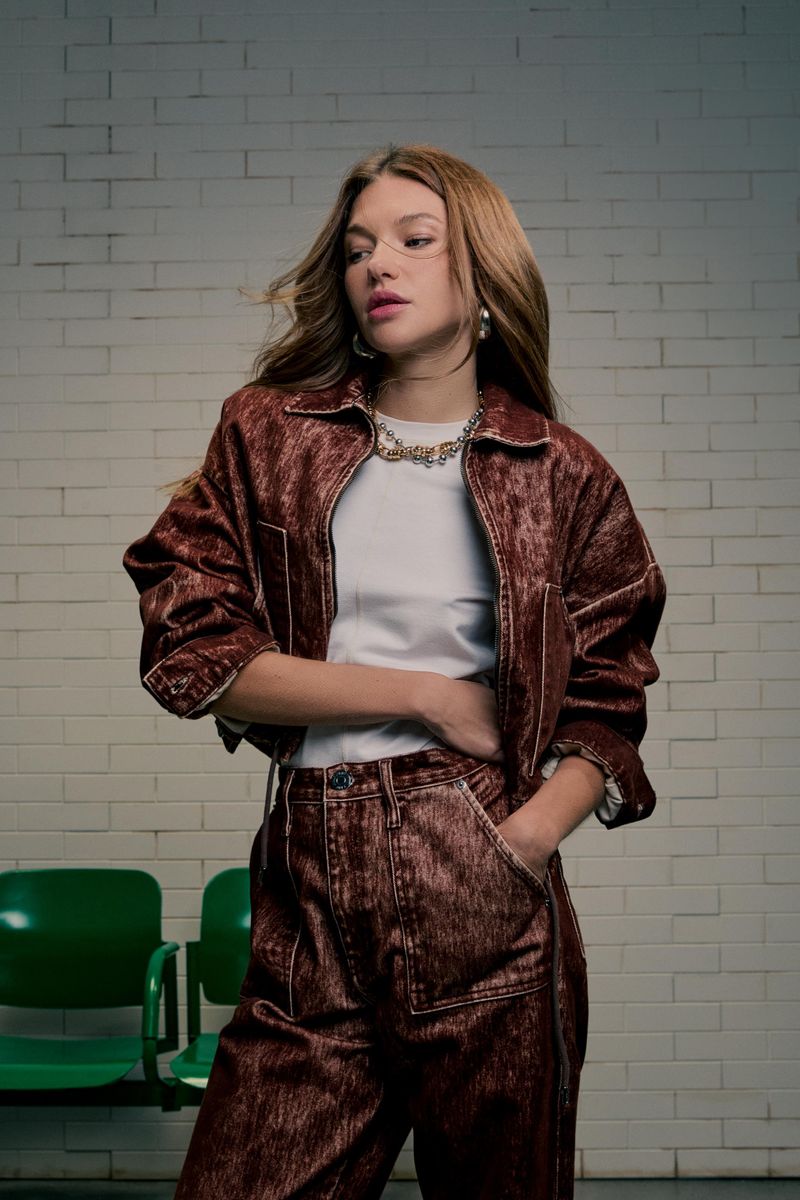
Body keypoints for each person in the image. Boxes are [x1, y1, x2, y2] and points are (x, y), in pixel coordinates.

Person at [123, 143, 666, 1200]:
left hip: (477, 856)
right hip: (307, 867)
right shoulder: (269, 433)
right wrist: (422, 694)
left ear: (484, 274)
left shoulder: (562, 474)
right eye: (359, 247)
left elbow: (608, 702)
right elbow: (193, 647)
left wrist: (523, 842)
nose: (379, 264)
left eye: (416, 240)